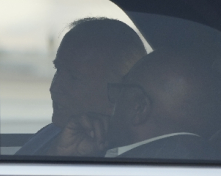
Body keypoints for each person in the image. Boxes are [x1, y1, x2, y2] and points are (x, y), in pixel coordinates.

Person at [48, 48, 218, 160]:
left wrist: (59, 157)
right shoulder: (202, 158)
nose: (113, 101)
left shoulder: (134, 170)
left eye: (120, 89)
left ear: (139, 108)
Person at [15, 17, 146, 155]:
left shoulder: (130, 160)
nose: (54, 88)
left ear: (117, 92)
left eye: (74, 77)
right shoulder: (52, 133)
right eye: (58, 70)